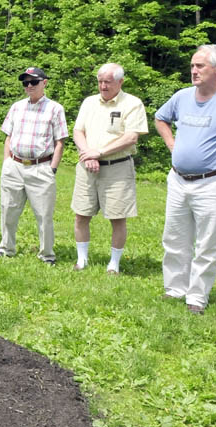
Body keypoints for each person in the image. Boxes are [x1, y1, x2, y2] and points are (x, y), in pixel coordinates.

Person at [155, 44, 216, 315]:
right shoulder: (183, 96)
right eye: (193, 66)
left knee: (207, 242)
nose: (193, 71)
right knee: (174, 237)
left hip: (213, 183)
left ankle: (197, 296)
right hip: (178, 181)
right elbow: (161, 118)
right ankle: (175, 289)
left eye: (200, 66)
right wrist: (172, 144)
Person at [71, 63, 148, 274]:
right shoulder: (89, 102)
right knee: (81, 214)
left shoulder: (132, 103)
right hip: (87, 166)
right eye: (100, 81)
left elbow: (131, 137)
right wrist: (88, 154)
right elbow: (78, 131)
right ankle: (82, 260)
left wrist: (100, 153)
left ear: (120, 82)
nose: (103, 86)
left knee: (117, 216)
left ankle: (114, 264)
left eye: (108, 82)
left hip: (117, 168)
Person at [0, 67, 68, 264]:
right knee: (8, 210)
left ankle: (47, 255)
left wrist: (52, 169)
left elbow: (60, 142)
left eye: (33, 82)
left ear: (44, 83)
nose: (29, 86)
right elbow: (8, 137)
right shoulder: (17, 107)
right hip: (15, 166)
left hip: (41, 167)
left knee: (44, 215)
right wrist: (6, 163)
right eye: (25, 82)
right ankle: (6, 248)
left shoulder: (55, 108)